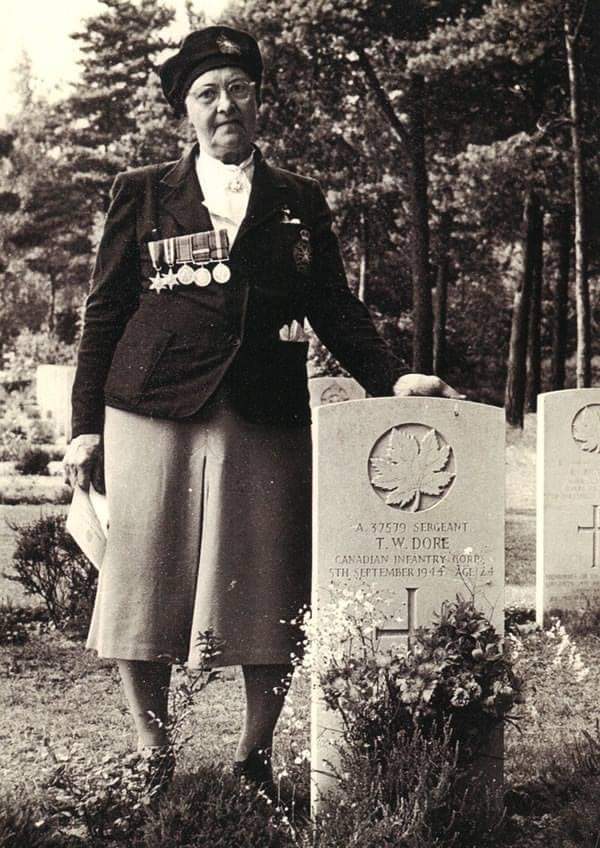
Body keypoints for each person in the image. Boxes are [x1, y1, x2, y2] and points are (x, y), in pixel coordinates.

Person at [63, 25, 463, 791]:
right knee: (140, 587)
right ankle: (152, 750)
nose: (225, 106)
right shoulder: (141, 190)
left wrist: (394, 378)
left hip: (264, 410)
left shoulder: (298, 200)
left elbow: (334, 305)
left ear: (258, 101)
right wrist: (84, 427)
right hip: (152, 408)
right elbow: (104, 311)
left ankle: (253, 754)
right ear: (186, 109)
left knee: (271, 588)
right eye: (207, 93)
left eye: (238, 90)